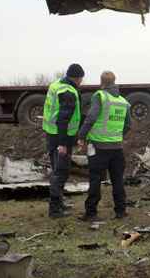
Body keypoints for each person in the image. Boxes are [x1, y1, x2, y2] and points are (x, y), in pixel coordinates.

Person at [78, 71, 131, 221]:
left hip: (99, 147)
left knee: (95, 179)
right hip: (117, 148)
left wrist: (81, 135)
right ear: (114, 82)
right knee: (118, 180)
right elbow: (128, 124)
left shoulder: (99, 96)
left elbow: (91, 117)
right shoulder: (123, 101)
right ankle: (121, 211)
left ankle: (91, 213)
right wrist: (117, 136)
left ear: (101, 82)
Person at [42, 63, 85, 218]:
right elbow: (63, 118)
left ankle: (59, 204)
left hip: (52, 133)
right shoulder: (68, 92)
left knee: (57, 171)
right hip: (60, 137)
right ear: (78, 78)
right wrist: (63, 143)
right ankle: (54, 210)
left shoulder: (56, 85)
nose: (81, 82)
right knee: (61, 173)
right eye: (81, 79)